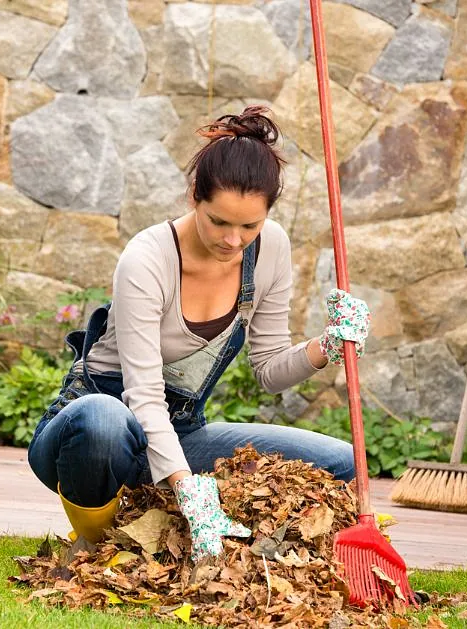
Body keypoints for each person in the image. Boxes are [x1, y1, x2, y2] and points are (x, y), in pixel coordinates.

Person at [27, 106, 370, 562]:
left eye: (250, 225)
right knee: (102, 420)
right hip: (95, 436)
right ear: (195, 197)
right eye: (220, 222)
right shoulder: (147, 259)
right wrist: (190, 488)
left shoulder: (271, 249)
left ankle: (193, 532)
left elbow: (268, 370)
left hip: (179, 433)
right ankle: (97, 546)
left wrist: (327, 346)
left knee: (342, 462)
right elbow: (143, 397)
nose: (233, 241)